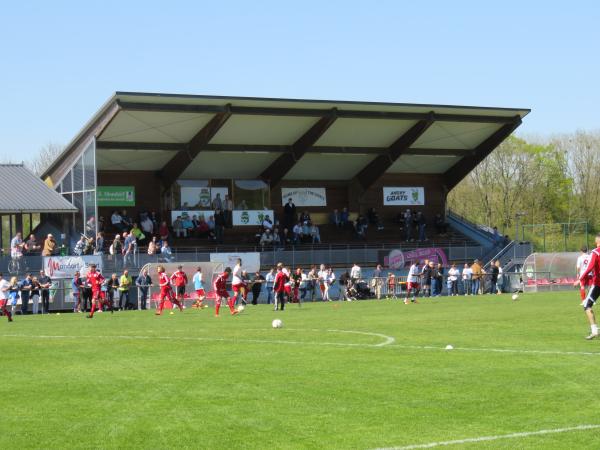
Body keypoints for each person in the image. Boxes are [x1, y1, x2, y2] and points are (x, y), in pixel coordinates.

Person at [578, 234, 600, 339]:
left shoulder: (595, 252)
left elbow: (590, 267)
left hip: (598, 284)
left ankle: (594, 330)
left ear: (597, 241)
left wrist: (580, 278)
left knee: (587, 305)